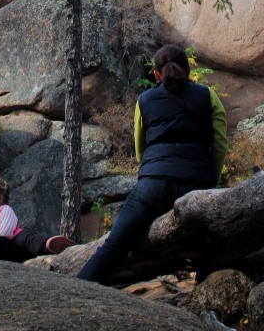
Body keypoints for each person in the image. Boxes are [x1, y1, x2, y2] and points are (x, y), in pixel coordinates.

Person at [77, 43, 228, 284]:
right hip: (199, 182)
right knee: (211, 246)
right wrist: (212, 179)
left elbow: (140, 148)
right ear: (188, 70)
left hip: (154, 183)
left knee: (115, 245)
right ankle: (204, 294)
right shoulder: (208, 96)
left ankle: (77, 289)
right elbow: (220, 144)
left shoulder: (145, 99)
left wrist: (154, 169)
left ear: (157, 74)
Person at [0, 174, 75, 262]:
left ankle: (49, 245)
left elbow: (5, 232)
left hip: (16, 244)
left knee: (24, 236)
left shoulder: (3, 210)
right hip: (3, 253)